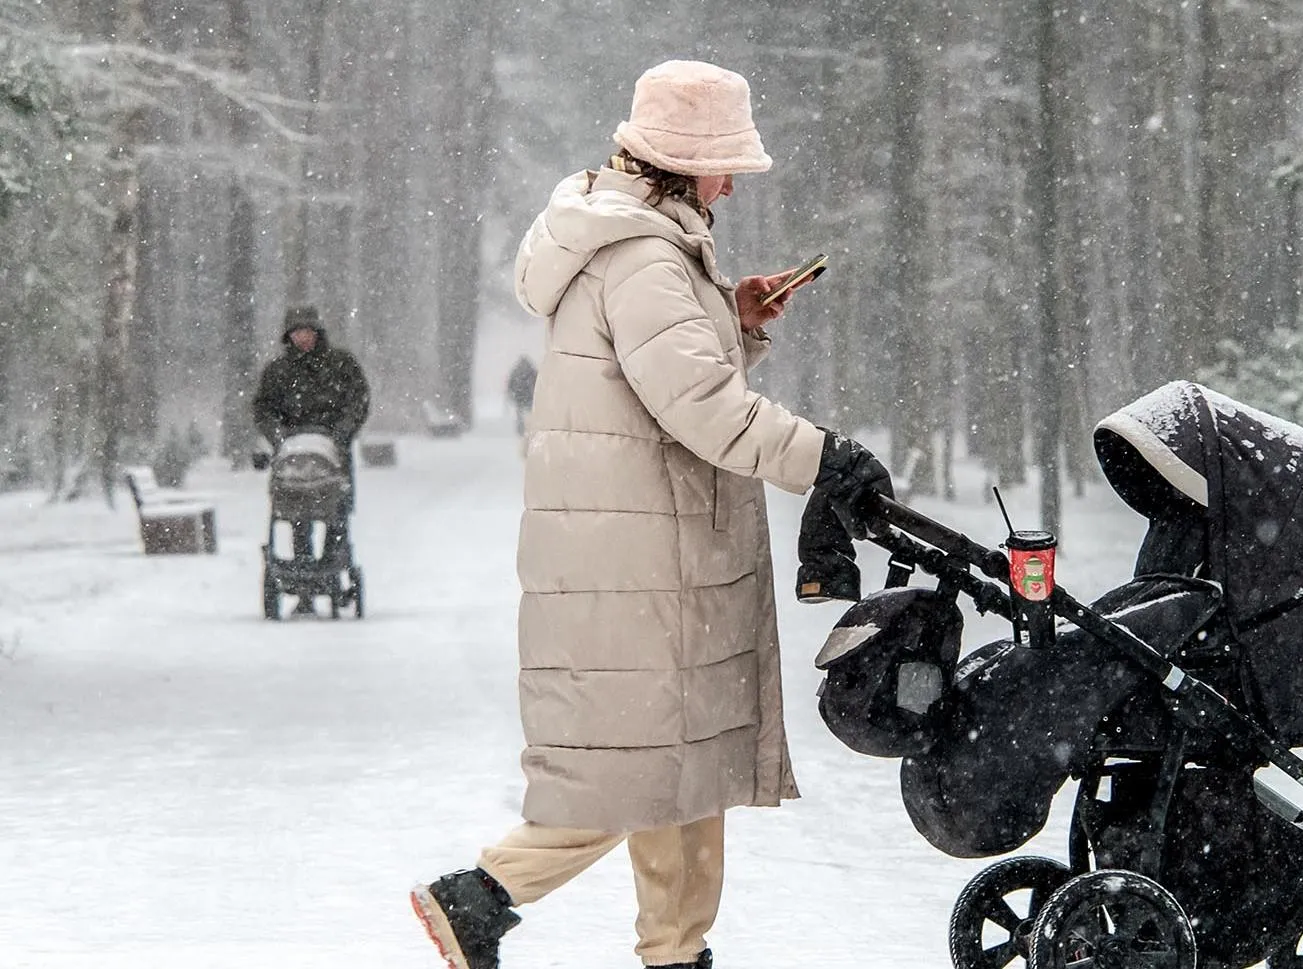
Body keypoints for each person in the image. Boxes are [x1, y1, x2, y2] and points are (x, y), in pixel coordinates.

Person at [409, 60, 891, 969]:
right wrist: (826, 456)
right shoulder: (642, 257)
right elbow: (703, 409)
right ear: (685, 164)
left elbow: (667, 385)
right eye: (723, 168)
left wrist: (738, 320)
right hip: (644, 558)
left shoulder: (642, 245)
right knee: (642, 765)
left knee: (684, 761)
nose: (732, 186)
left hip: (651, 548)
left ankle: (675, 952)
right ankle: (480, 897)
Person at [251, 305, 370, 606]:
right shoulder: (278, 372)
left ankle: (331, 567)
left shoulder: (341, 365)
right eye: (297, 333)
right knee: (297, 515)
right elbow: (264, 408)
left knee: (335, 514)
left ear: (317, 332)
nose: (303, 338)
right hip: (293, 452)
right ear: (289, 336)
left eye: (307, 332)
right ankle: (303, 575)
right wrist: (278, 436)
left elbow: (357, 400)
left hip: (332, 451)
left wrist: (342, 432)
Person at [507, 356, 538, 435]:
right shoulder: (532, 371)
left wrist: (511, 394)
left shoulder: (516, 371)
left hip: (519, 397)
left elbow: (510, 384)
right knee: (530, 413)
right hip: (529, 396)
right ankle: (531, 427)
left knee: (520, 414)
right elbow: (538, 383)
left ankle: (521, 428)